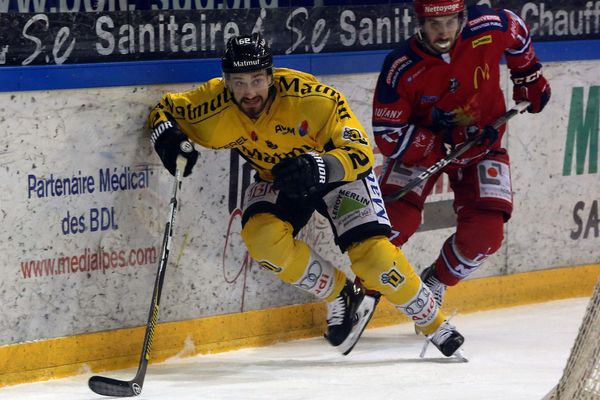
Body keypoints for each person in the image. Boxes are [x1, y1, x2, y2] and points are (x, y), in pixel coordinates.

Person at [148, 32, 464, 357]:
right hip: (280, 177)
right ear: (226, 81)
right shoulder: (212, 106)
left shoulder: (313, 98)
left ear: (271, 76)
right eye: (239, 82)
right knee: (262, 238)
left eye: (257, 80)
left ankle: (436, 325)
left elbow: (360, 154)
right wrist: (169, 141)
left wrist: (321, 166)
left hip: (337, 173)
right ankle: (342, 294)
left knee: (375, 260)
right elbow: (165, 111)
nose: (249, 92)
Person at [371, 0, 551, 307]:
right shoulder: (400, 64)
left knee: (486, 235)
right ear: (420, 23)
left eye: (450, 22)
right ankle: (364, 292)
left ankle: (437, 280)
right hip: (423, 148)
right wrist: (433, 146)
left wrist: (527, 76)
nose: (443, 32)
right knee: (393, 223)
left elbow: (516, 28)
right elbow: (387, 133)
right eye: (434, 25)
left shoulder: (488, 26)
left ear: (462, 17)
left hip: (481, 145)